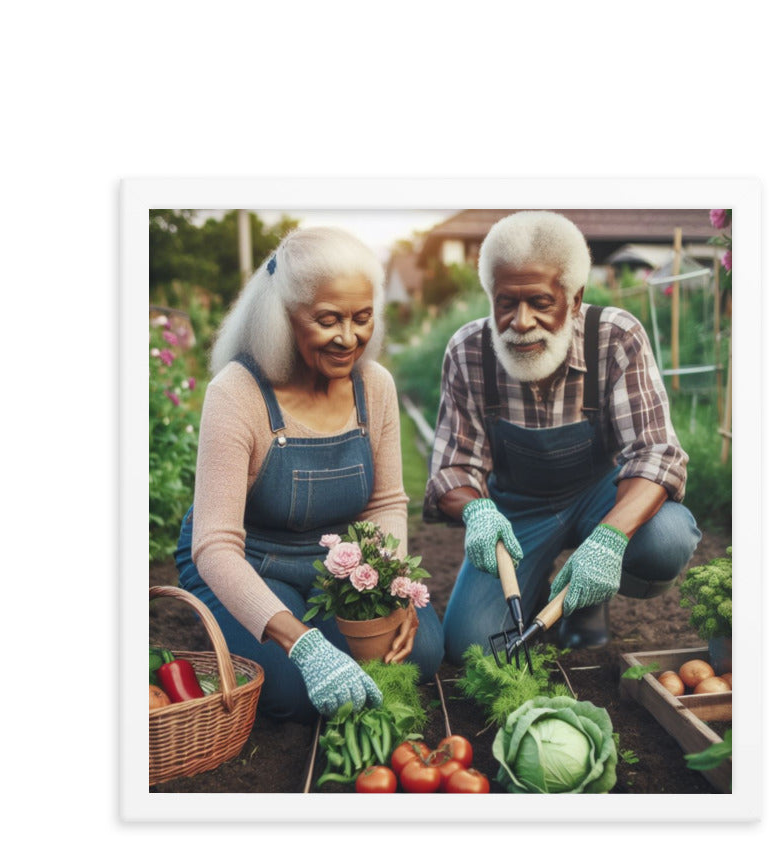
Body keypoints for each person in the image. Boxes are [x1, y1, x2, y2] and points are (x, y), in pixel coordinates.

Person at [176, 226, 443, 724]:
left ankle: (310, 627)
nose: (349, 338)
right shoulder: (237, 392)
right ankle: (245, 621)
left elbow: (385, 504)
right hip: (248, 562)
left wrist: (394, 588)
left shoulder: (374, 386)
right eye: (328, 320)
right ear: (283, 318)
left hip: (333, 568)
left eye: (362, 318)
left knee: (422, 652)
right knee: (290, 693)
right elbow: (214, 545)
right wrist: (303, 645)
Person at [424, 211, 701, 663]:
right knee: (471, 645)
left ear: (573, 300)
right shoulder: (469, 350)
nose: (520, 321)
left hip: (602, 499)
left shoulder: (615, 337)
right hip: (515, 513)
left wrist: (609, 539)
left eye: (539, 302)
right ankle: (535, 588)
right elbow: (454, 465)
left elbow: (656, 453)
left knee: (665, 540)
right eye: (505, 303)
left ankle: (586, 598)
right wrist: (476, 509)